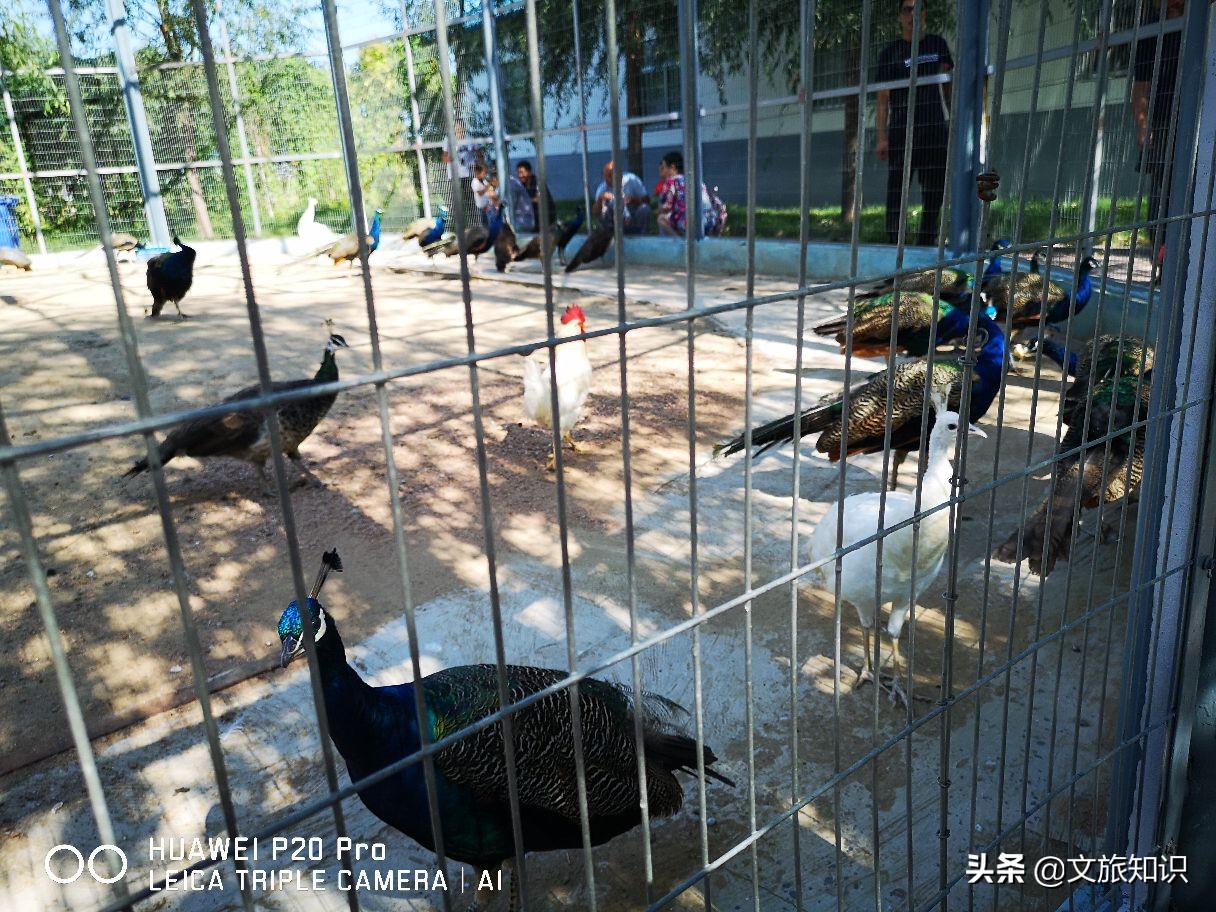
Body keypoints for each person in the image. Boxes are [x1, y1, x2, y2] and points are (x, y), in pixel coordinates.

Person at [875, 0, 953, 246]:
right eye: (907, 9)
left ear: (925, 14)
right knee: (897, 191)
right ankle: (894, 244)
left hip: (934, 130)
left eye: (918, 8)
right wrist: (882, 137)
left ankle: (926, 245)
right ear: (900, 16)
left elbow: (948, 86)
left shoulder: (937, 45)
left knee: (934, 192)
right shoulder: (890, 53)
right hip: (901, 133)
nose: (912, 14)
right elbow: (881, 100)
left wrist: (953, 124)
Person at [1132, 0, 1184, 278]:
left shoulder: (1205, 21)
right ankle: (1164, 266)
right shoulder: (1152, 31)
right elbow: (1141, 86)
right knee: (1160, 203)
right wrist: (1143, 127)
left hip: (1201, 122)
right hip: (1164, 126)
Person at [655, 151, 728, 238]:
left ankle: (681, 243)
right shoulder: (694, 179)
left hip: (689, 223)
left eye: (663, 168)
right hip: (710, 221)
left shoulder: (671, 181)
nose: (661, 172)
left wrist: (656, 211)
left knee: (661, 219)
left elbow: (668, 206)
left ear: (672, 167)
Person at [592, 160, 651, 234]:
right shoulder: (602, 188)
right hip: (615, 222)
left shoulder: (632, 180)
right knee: (604, 212)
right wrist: (600, 200)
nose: (607, 179)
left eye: (610, 175)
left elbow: (647, 200)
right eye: (605, 176)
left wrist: (633, 200)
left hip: (634, 218)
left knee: (644, 209)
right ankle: (610, 236)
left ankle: (642, 237)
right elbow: (595, 213)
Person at [515, 161, 555, 231]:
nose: (520, 175)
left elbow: (539, 199)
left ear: (529, 172)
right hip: (533, 218)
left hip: (546, 217)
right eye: (518, 173)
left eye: (522, 172)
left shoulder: (537, 182)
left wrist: (525, 201)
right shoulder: (522, 185)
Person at [470, 161, 499, 227]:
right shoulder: (475, 182)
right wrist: (488, 186)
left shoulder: (484, 181)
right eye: (484, 172)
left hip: (488, 207)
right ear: (478, 172)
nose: (485, 174)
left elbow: (489, 191)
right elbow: (480, 193)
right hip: (481, 208)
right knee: (485, 225)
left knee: (491, 224)